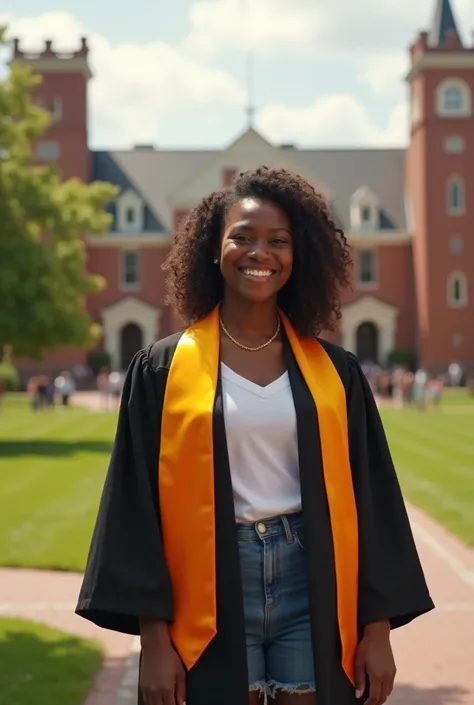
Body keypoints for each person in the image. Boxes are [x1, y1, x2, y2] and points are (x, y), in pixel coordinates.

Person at [76, 167, 434, 705]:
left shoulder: (335, 373)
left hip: (311, 580)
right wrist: (153, 639)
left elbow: (372, 500)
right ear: (213, 249)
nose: (258, 252)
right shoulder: (164, 369)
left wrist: (376, 630)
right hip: (212, 586)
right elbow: (136, 505)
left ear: (299, 254)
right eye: (241, 236)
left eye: (278, 241)